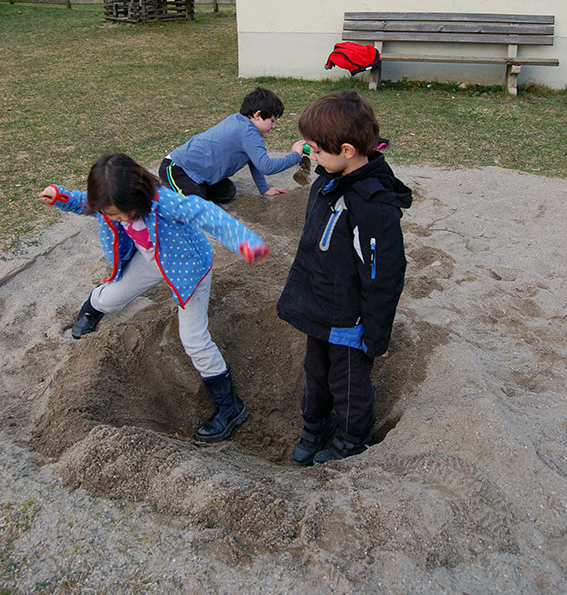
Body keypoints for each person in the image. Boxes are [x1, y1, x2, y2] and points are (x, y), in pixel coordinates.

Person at [39, 153, 270, 444]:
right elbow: (83, 202)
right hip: (149, 260)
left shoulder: (165, 203)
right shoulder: (108, 201)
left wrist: (243, 241)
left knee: (194, 339)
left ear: (141, 195)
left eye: (128, 214)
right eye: (113, 215)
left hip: (188, 268)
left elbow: (204, 212)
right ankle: (91, 310)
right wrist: (59, 196)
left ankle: (229, 407)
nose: (121, 219)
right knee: (110, 299)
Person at [277, 90, 412, 465]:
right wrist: (309, 150)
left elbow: (383, 275)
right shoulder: (329, 178)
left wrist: (377, 334)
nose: (312, 156)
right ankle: (315, 424)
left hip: (349, 317)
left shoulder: (372, 206)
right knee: (315, 372)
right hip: (318, 303)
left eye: (318, 151)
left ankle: (354, 438)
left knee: (347, 382)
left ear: (348, 150)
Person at [159, 87, 304, 203]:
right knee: (196, 208)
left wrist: (264, 189)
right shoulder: (247, 132)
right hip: (177, 168)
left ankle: (194, 189)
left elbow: (254, 161)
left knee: (226, 192)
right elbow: (266, 166)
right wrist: (295, 156)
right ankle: (163, 193)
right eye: (272, 121)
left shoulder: (242, 122)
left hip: (201, 174)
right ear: (258, 115)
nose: (273, 126)